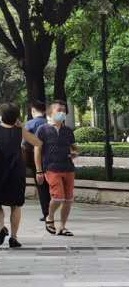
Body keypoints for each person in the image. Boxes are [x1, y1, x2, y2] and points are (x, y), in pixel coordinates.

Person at [0, 102, 41, 249]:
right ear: (16, 116)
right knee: (15, 205)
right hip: (16, 172)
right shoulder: (19, 131)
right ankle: (14, 238)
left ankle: (1, 229)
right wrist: (22, 127)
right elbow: (38, 143)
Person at [35, 101, 77, 237]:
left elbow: (74, 148)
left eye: (64, 111)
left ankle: (63, 227)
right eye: (59, 110)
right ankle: (50, 217)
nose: (62, 113)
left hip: (68, 168)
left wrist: (75, 152)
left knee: (69, 199)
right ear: (50, 113)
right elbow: (37, 151)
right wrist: (39, 170)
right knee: (58, 198)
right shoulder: (42, 129)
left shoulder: (68, 131)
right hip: (52, 168)